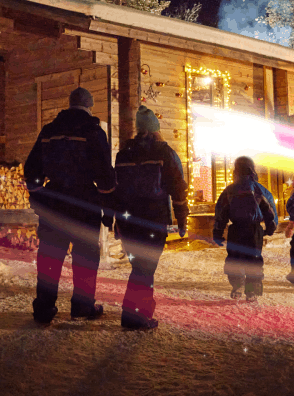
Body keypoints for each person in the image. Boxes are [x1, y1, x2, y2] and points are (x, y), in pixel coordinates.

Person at [24, 87, 115, 324]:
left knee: (50, 257)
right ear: (89, 105)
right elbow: (105, 174)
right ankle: (82, 306)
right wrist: (108, 207)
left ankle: (43, 308)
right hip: (85, 201)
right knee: (85, 256)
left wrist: (37, 195)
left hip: (54, 201)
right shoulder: (93, 131)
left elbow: (31, 167)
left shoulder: (49, 130)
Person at [113, 106, 188, 330]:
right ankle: (133, 315)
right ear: (155, 129)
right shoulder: (164, 152)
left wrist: (117, 220)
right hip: (153, 219)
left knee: (140, 265)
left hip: (128, 220)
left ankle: (142, 310)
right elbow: (178, 187)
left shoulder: (123, 154)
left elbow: (117, 189)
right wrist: (182, 218)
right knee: (145, 268)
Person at [212, 156, 277, 301]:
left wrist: (218, 231)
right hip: (254, 230)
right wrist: (271, 226)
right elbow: (269, 209)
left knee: (235, 258)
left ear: (236, 170)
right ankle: (252, 291)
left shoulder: (230, 190)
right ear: (252, 170)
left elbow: (221, 212)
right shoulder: (259, 190)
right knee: (253, 259)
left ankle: (237, 285)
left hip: (236, 230)